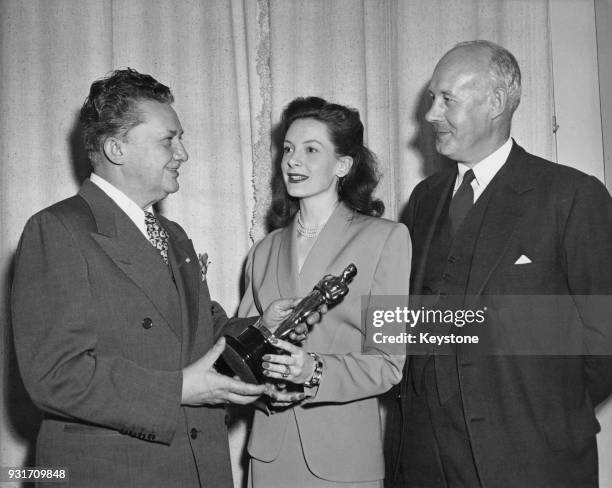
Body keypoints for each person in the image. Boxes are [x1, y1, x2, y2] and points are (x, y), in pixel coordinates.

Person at [10, 68, 316, 488]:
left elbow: (202, 332)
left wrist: (261, 329)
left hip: (195, 467)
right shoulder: (57, 229)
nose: (182, 153)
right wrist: (176, 389)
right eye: (168, 140)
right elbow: (54, 375)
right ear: (117, 149)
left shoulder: (171, 235)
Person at [389, 40, 612, 487]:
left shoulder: (572, 196)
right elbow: (412, 322)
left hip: (531, 458)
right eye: (433, 98)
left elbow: (604, 341)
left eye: (446, 99)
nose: (431, 113)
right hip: (425, 457)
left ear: (495, 102)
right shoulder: (424, 200)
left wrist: (546, 412)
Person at [237, 96, 411, 487]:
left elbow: (388, 363)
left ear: (344, 165)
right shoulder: (262, 252)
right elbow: (244, 354)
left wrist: (314, 371)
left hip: (343, 462)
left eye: (311, 150)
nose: (293, 161)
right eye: (288, 149)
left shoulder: (385, 239)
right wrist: (264, 388)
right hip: (268, 457)